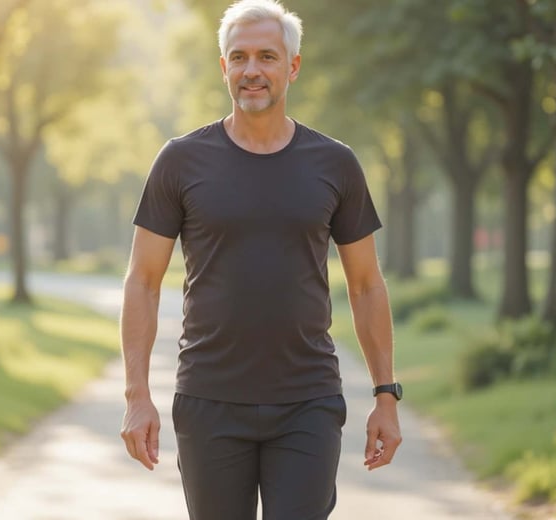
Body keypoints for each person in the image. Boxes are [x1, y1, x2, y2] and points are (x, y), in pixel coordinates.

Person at [119, 0, 401, 518]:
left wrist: (386, 395)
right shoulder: (180, 161)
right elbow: (142, 280)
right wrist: (137, 395)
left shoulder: (335, 164)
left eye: (267, 57)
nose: (253, 70)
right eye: (240, 57)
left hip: (308, 403)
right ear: (223, 66)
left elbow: (366, 285)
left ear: (292, 66)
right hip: (209, 402)